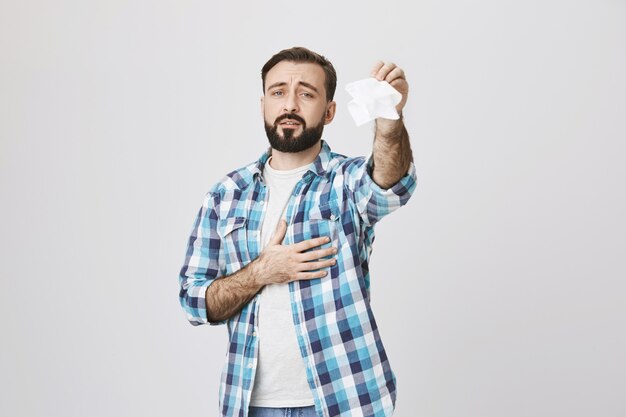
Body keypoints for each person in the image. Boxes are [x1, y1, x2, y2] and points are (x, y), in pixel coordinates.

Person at [179, 46, 417, 417]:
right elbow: (194, 302)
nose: (290, 104)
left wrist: (389, 119)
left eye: (306, 93)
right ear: (263, 105)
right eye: (278, 92)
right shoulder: (226, 195)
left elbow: (389, 185)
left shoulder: (346, 182)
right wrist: (261, 272)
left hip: (344, 401)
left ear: (329, 111)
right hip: (251, 405)